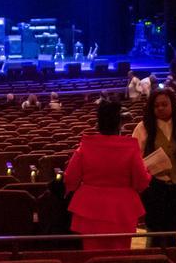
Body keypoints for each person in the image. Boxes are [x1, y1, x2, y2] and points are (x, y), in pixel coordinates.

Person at [65, 99, 152, 251]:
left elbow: (70, 178)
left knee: (92, 254)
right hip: (122, 208)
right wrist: (148, 172)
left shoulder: (85, 146)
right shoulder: (130, 147)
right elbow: (141, 182)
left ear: (98, 124)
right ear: (119, 124)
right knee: (119, 255)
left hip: (89, 207)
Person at [132, 88, 176, 248]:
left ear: (172, 105)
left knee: (173, 226)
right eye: (156, 106)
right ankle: (154, 257)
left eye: (164, 104)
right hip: (154, 185)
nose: (160, 108)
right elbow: (135, 155)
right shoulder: (143, 127)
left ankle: (172, 256)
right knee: (154, 227)